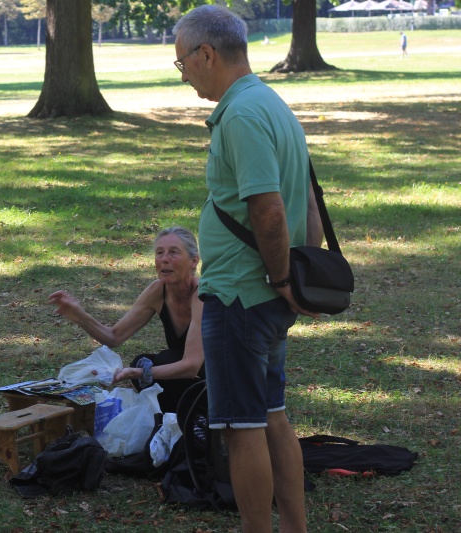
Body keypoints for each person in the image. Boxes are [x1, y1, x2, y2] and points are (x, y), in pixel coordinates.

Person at [173, 6, 323, 532]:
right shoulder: (271, 103)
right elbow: (304, 199)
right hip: (265, 295)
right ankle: (294, 528)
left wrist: (283, 280)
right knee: (273, 417)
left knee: (241, 428)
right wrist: (295, 280)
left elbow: (270, 208)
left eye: (182, 63)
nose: (184, 74)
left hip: (241, 296)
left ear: (206, 54)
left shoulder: (240, 114)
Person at [48, 227, 205, 413]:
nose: (164, 259)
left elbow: (191, 366)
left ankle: (193, 420)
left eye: (174, 252)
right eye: (159, 253)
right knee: (141, 361)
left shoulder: (203, 294)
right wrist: (80, 316)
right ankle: (172, 421)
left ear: (194, 261)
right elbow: (114, 337)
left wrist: (140, 373)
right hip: (189, 381)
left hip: (221, 381)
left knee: (161, 361)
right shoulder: (157, 291)